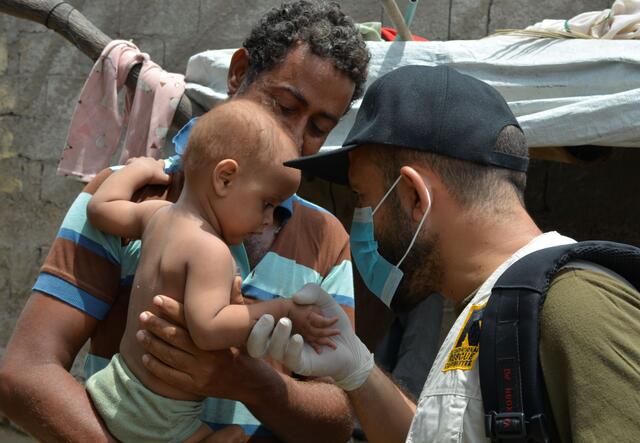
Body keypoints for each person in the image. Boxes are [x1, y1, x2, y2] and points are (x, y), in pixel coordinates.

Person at [0, 2, 369, 442]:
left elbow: (337, 419)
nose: (293, 136)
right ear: (239, 73)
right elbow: (26, 372)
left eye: (321, 127)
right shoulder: (140, 198)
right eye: (285, 105)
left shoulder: (327, 238)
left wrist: (247, 380)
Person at [248, 65, 640, 443]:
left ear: (415, 196)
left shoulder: (573, 305)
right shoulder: (488, 309)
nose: (360, 222)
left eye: (362, 197)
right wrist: (358, 370)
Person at [85, 101, 342, 443]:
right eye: (267, 204)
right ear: (225, 178)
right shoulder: (212, 250)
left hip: (114, 389)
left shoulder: (157, 216)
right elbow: (209, 329)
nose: (268, 219)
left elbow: (100, 208)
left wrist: (140, 170)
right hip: (162, 422)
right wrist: (283, 310)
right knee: (233, 436)